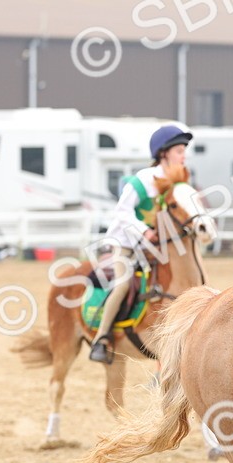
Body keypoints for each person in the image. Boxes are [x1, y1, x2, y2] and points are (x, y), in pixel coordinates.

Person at [89, 123, 193, 364]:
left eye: (184, 151)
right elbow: (122, 213)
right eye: (179, 150)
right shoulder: (142, 180)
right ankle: (101, 339)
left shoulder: (177, 182)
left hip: (155, 249)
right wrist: (145, 232)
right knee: (123, 285)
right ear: (163, 153)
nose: (183, 155)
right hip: (125, 244)